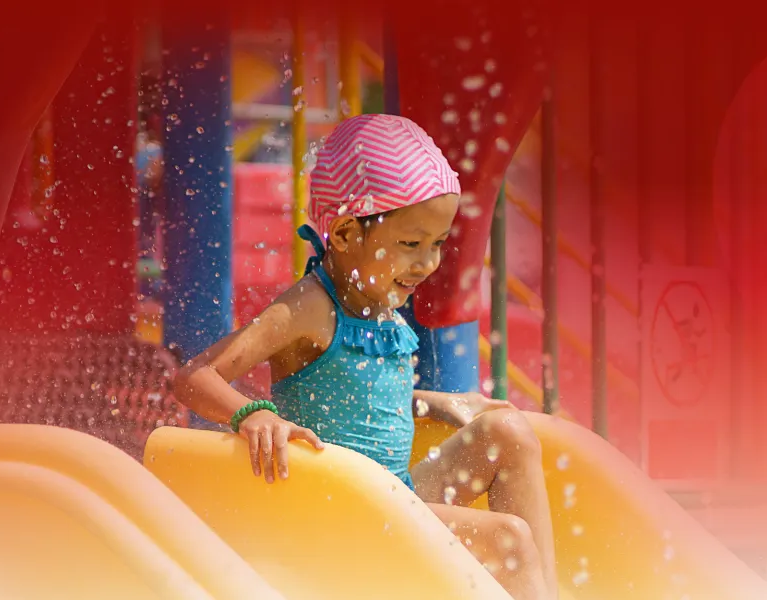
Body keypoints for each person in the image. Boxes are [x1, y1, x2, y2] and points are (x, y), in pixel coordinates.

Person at [173, 113, 558, 600]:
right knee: (508, 540)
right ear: (347, 234)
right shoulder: (308, 307)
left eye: (437, 244)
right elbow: (192, 377)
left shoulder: (379, 300)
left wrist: (434, 403)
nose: (427, 263)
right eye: (411, 244)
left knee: (510, 433)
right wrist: (252, 414)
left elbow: (353, 392)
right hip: (341, 522)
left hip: (392, 500)